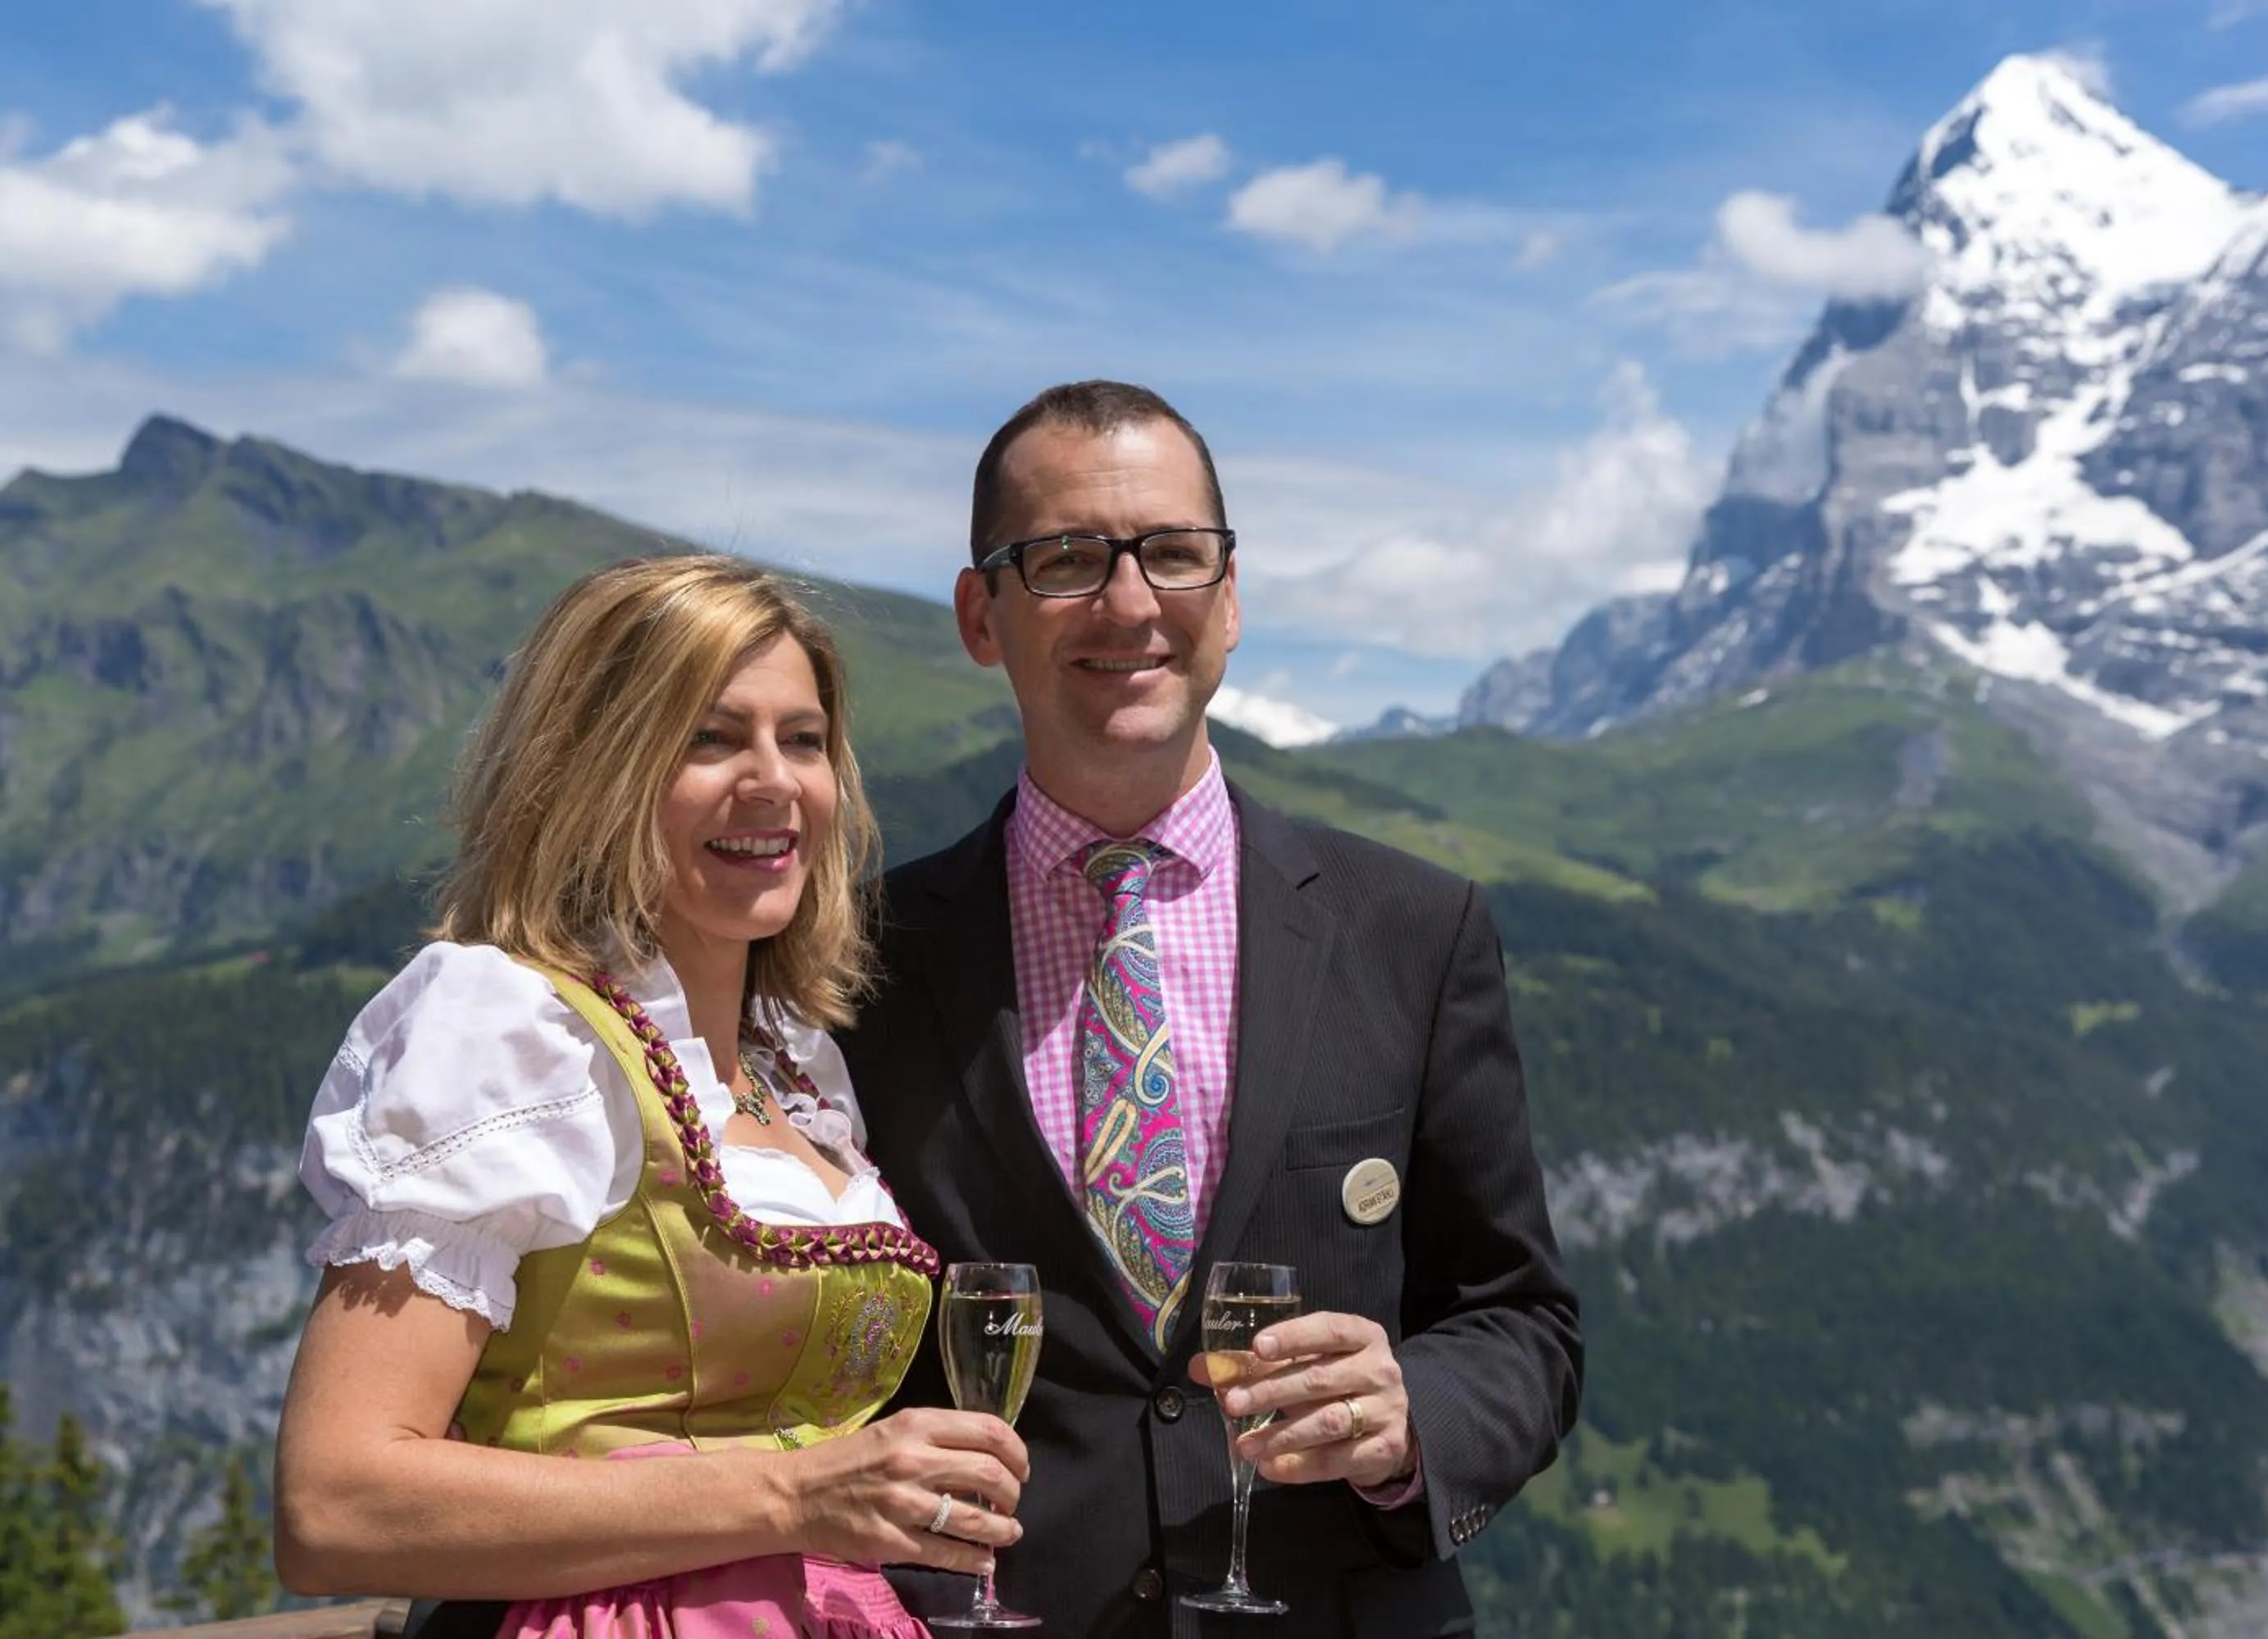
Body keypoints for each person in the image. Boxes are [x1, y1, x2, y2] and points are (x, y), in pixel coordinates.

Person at [839, 381, 1582, 1637]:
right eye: (1068, 558)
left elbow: (1522, 1321)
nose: (1131, 604)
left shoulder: (1414, 929)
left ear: (1230, 599)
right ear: (982, 614)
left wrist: (1411, 1417)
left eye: (1174, 555)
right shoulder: (860, 960)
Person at [273, 554, 1030, 1639]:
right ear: (599, 771)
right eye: (709, 739)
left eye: (803, 740)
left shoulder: (796, 1065)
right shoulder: (509, 1031)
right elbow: (333, 1505)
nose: (773, 780)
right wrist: (800, 1496)